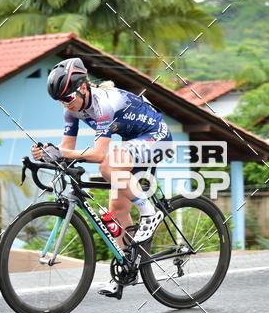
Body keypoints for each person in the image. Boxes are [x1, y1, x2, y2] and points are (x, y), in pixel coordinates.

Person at [31, 57, 172, 300]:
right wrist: (47, 153)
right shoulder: (71, 110)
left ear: (83, 87)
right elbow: (67, 148)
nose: (65, 104)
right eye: (60, 100)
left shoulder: (103, 104)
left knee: (108, 165)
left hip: (157, 136)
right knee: (116, 210)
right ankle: (127, 269)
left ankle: (150, 213)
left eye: (67, 98)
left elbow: (97, 154)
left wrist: (61, 152)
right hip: (133, 142)